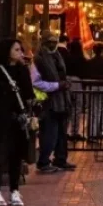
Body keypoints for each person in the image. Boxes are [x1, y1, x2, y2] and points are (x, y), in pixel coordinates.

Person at [0, 38, 35, 206]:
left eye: (21, 50)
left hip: (17, 119)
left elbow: (29, 94)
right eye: (17, 50)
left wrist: (32, 109)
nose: (21, 53)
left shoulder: (22, 71)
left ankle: (14, 190)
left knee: (16, 156)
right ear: (7, 52)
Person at [31, 30, 75, 173]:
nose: (53, 45)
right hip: (48, 101)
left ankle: (60, 159)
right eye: (50, 42)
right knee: (50, 133)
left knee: (62, 133)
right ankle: (44, 162)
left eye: (55, 42)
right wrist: (56, 86)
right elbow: (36, 82)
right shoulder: (38, 59)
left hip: (62, 100)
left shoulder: (57, 56)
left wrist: (64, 84)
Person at [66, 38, 87, 140]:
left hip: (66, 82)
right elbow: (84, 72)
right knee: (77, 107)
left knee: (66, 107)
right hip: (77, 82)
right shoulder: (81, 59)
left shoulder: (67, 58)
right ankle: (74, 131)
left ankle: (64, 131)